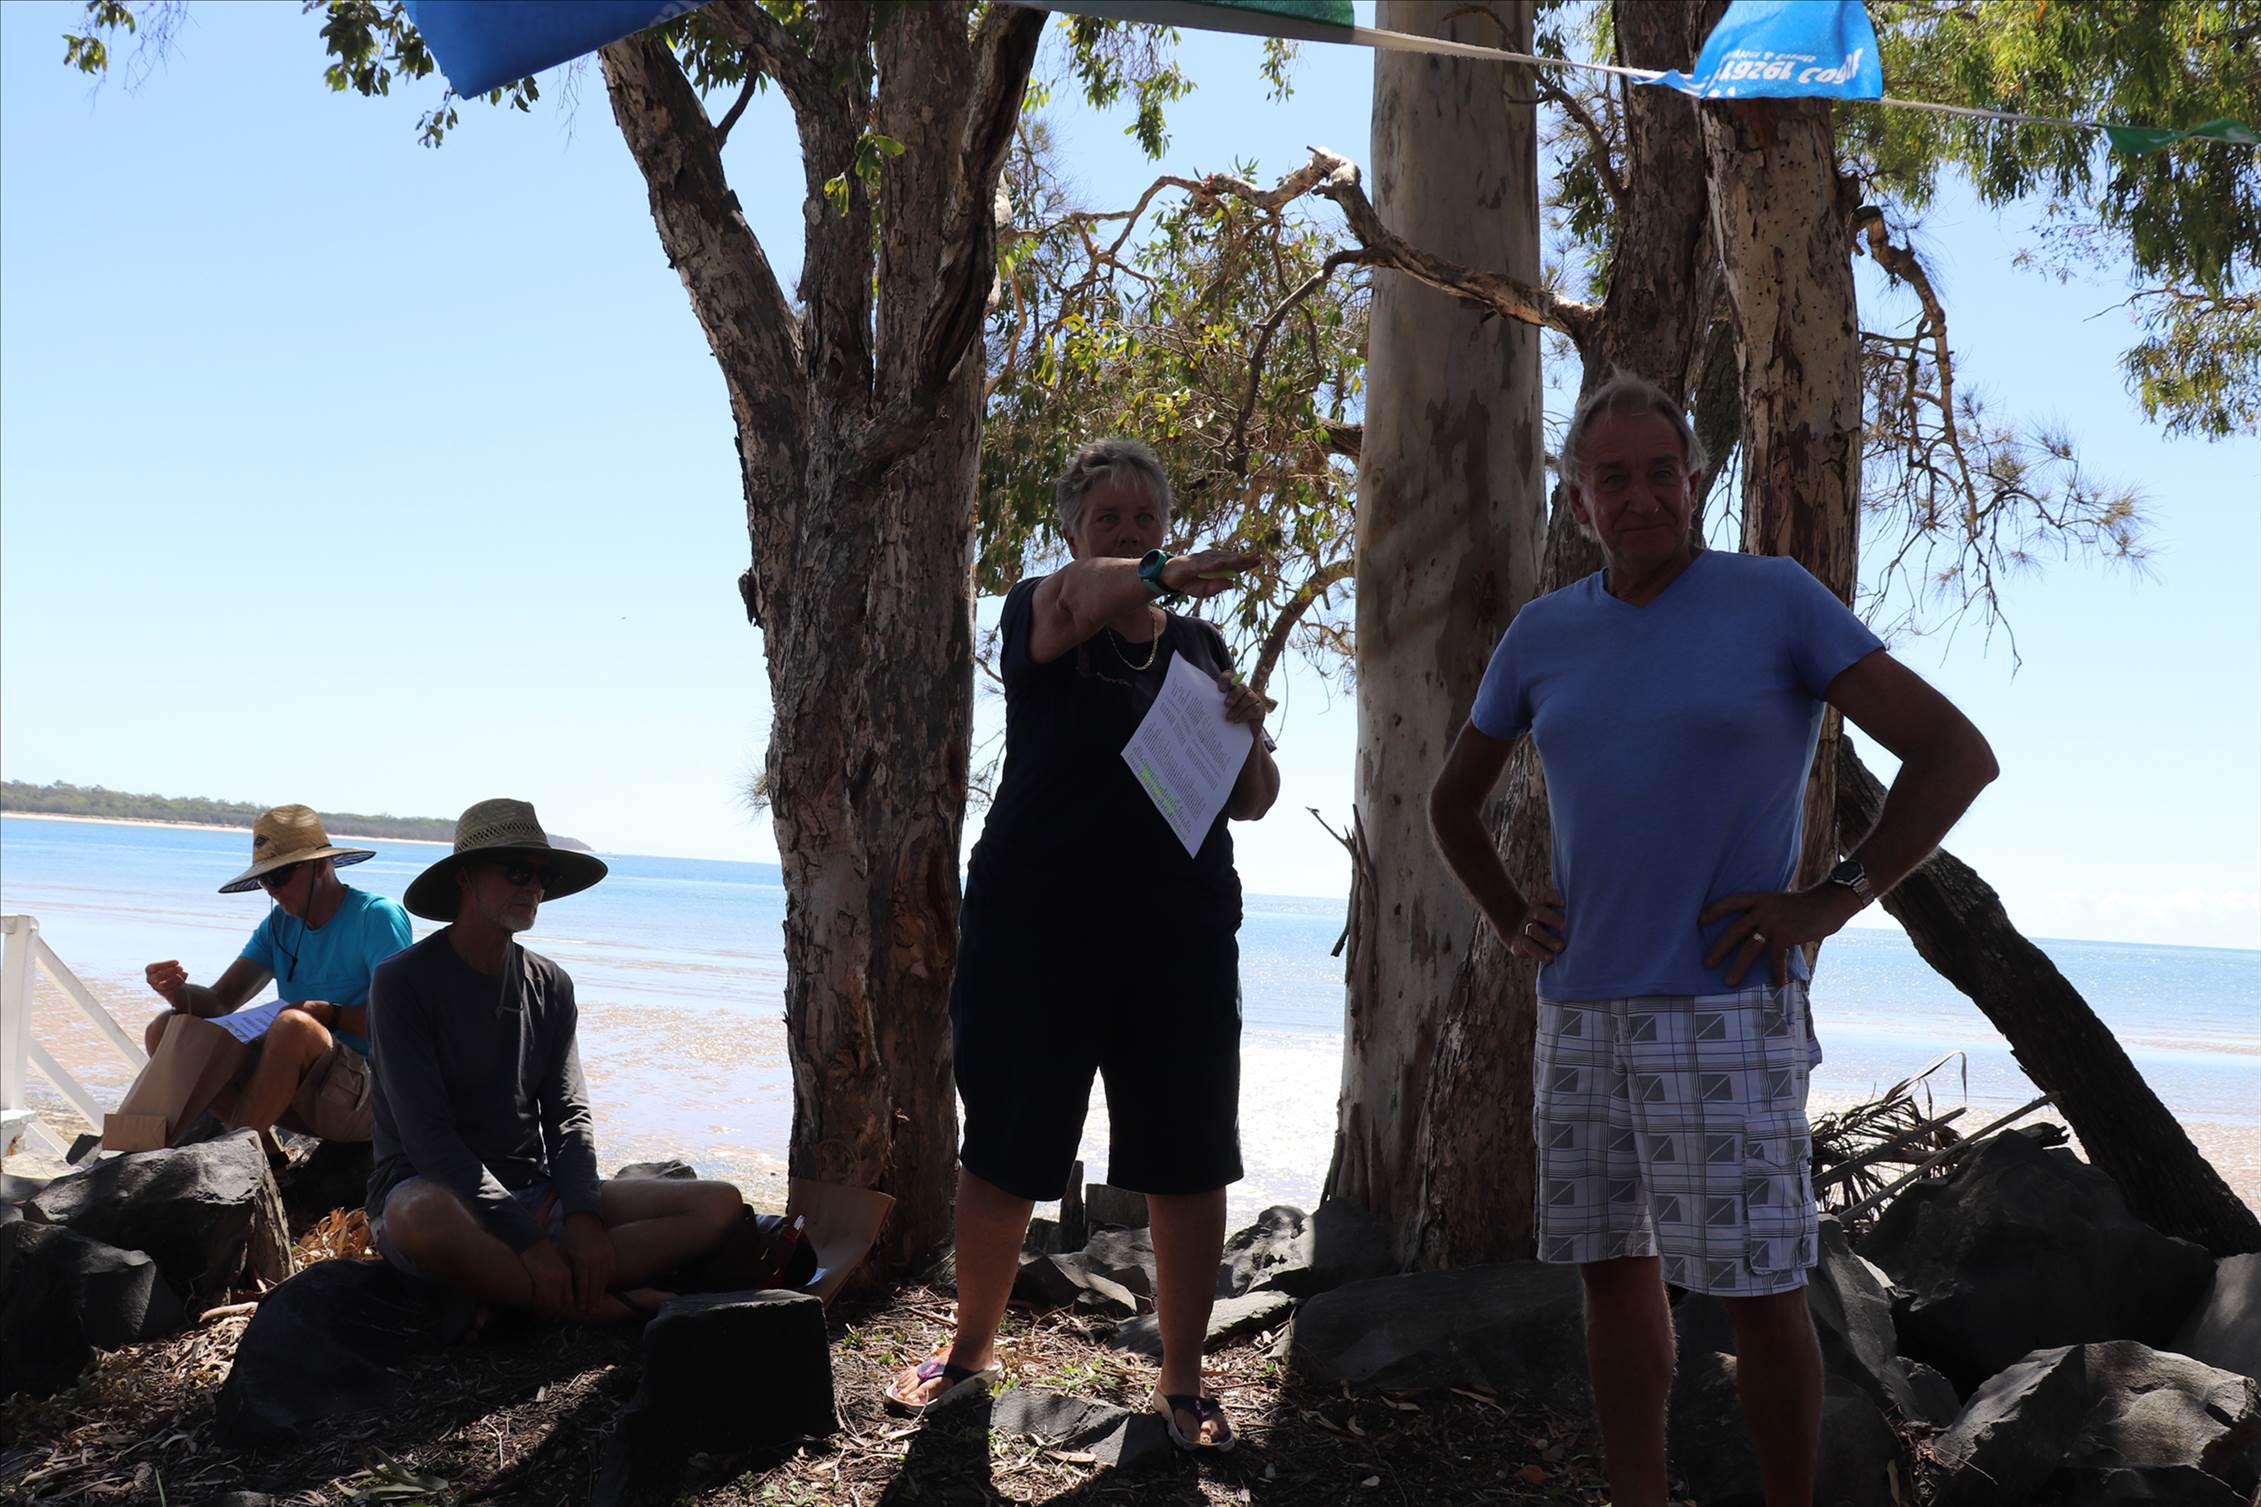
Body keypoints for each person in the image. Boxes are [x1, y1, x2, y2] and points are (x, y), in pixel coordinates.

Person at [1428, 372, 1999, 1507]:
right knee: (1610, 1273)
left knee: (1759, 1289)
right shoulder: (1543, 634)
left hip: (1727, 1004)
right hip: (1579, 1007)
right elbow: (1451, 801)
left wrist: (1832, 897)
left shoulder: (1772, 600)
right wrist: (1507, 912)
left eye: (1660, 473)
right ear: (1578, 502)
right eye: (1612, 479)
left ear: (1694, 480)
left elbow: (1954, 753)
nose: (1639, 497)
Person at [883, 437, 1280, 1449]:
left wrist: (1248, 731)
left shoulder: (1200, 646)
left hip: (1179, 940)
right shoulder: (1041, 606)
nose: (1132, 533)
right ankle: (968, 1353)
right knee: (1007, 1149)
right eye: (1109, 519)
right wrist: (1155, 572)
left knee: (1188, 1158)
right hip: (1037, 933)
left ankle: (1182, 1380)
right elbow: (1076, 601)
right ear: (1072, 533)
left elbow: (1251, 801)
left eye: (1147, 518)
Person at [366, 798, 742, 1324]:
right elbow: (429, 1143)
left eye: (542, 876)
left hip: (535, 1194)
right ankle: (591, 1306)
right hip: (438, 1194)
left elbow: (568, 1114)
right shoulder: (402, 982)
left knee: (718, 1204)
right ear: (465, 877)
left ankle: (515, 1292)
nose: (534, 888)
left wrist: (583, 1216)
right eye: (518, 872)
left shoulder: (551, 984)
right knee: (420, 1217)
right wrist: (531, 1242)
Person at [141, 804, 411, 1148]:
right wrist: (175, 991)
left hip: (368, 1097)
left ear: (320, 866)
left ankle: (234, 1152)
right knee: (166, 1028)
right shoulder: (279, 926)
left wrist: (327, 1013)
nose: (271, 889)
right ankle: (264, 1151)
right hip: (297, 1090)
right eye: (265, 879)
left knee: (292, 1026)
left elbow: (404, 1024)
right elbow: (220, 1002)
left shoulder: (376, 917)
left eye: (280, 876)